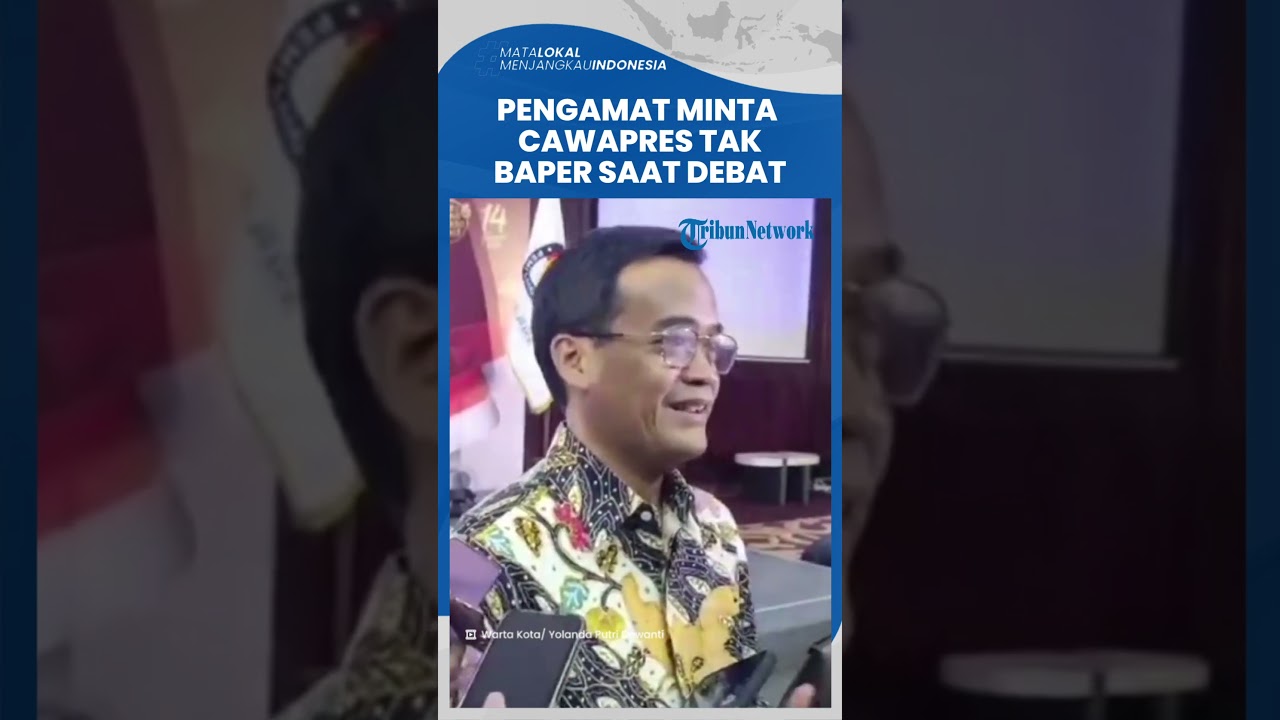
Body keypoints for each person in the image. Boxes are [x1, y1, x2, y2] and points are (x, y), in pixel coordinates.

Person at [450, 227, 815, 708]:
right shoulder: (478, 558)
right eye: (675, 342)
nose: (705, 373)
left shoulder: (714, 527)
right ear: (575, 359)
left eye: (713, 346)